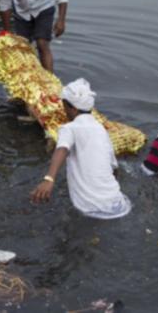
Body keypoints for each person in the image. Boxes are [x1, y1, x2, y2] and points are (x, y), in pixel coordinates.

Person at [30, 79, 132, 219]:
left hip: (89, 208)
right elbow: (114, 168)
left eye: (64, 106)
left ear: (73, 108)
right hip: (119, 205)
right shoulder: (100, 129)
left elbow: (62, 149)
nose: (63, 109)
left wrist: (49, 179)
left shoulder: (69, 128)